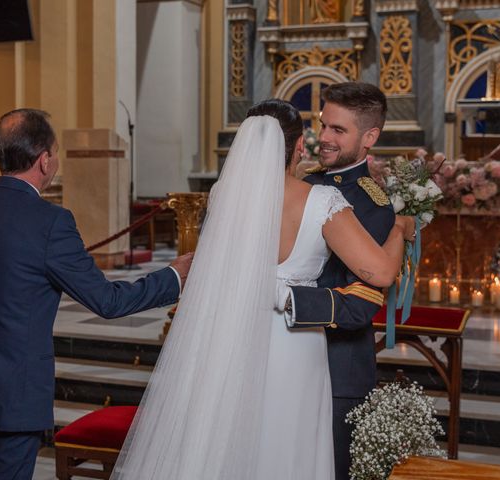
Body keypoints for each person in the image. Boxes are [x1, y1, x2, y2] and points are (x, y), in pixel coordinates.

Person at [111, 99, 414, 479]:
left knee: (229, 439)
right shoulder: (321, 201)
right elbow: (382, 273)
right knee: (286, 444)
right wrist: (400, 231)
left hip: (233, 335)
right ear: (298, 147)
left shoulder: (226, 195)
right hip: (293, 342)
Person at [0, 108, 193, 480]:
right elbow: (108, 300)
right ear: (44, 160)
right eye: (55, 154)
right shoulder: (50, 222)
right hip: (16, 394)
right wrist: (174, 275)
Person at [284, 82, 400, 480]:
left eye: (339, 130)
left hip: (338, 366)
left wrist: (282, 301)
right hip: (286, 355)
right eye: (323, 126)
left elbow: (363, 301)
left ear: (369, 138)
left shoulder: (373, 204)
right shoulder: (304, 185)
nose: (325, 139)